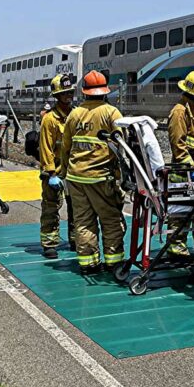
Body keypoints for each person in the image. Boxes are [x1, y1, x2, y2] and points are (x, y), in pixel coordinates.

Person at [57, 71, 126, 273]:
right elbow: (122, 146)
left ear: (85, 92)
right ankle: (113, 261)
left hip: (76, 177)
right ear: (104, 92)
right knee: (110, 219)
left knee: (83, 221)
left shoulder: (74, 114)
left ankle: (88, 263)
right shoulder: (111, 113)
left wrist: (64, 173)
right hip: (101, 177)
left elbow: (65, 148)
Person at [166, 70, 194, 258]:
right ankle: (176, 246)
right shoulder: (179, 112)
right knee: (181, 211)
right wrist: (192, 170)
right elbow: (178, 146)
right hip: (183, 170)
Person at [39, 74, 77, 259]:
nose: (68, 96)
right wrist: (51, 172)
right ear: (57, 96)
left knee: (76, 208)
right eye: (64, 93)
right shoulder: (50, 119)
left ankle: (75, 239)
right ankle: (49, 243)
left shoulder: (75, 115)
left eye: (70, 92)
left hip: (72, 171)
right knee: (51, 207)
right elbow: (45, 148)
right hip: (54, 171)